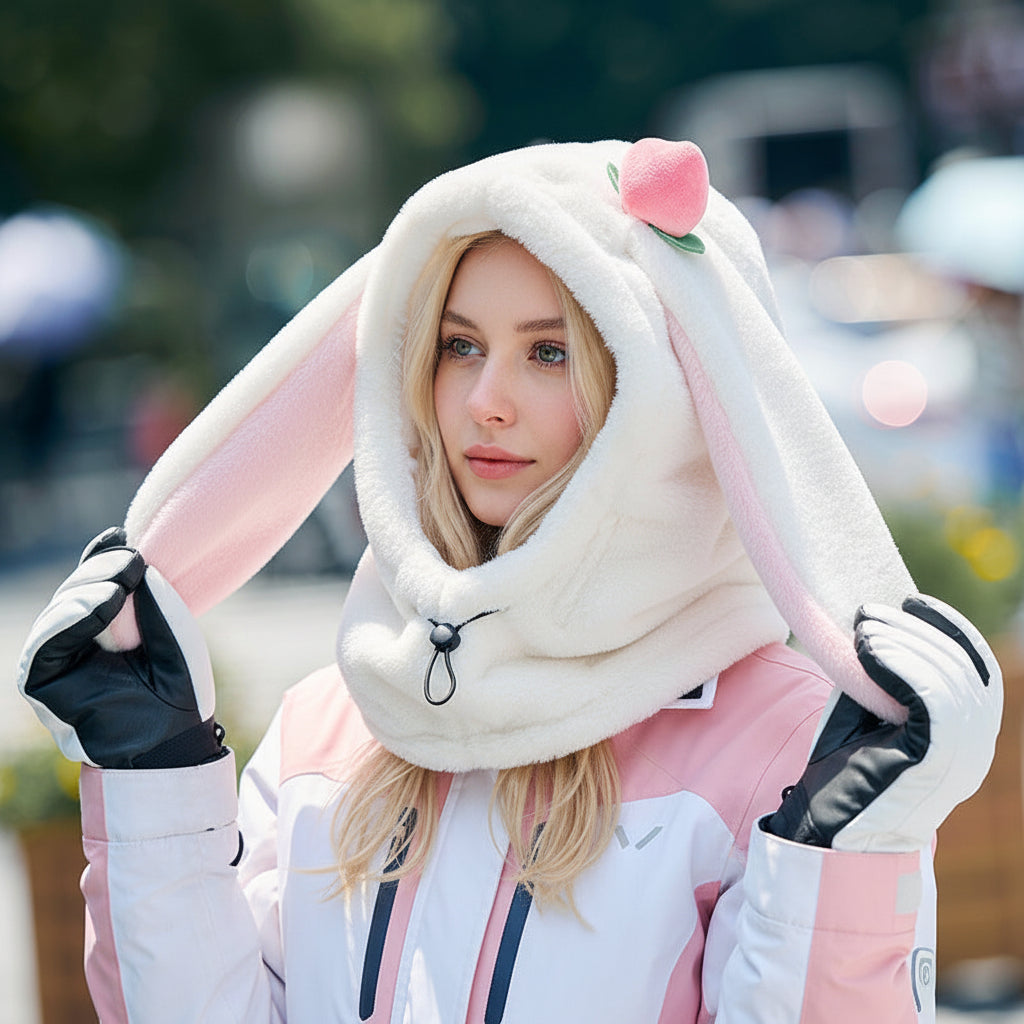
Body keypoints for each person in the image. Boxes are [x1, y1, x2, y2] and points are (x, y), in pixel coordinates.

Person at [17, 139, 1002, 1023]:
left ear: (662, 393)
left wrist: (836, 868)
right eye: (460, 346)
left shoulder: (787, 747)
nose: (485, 401)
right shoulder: (334, 721)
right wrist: (153, 785)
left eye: (548, 351)